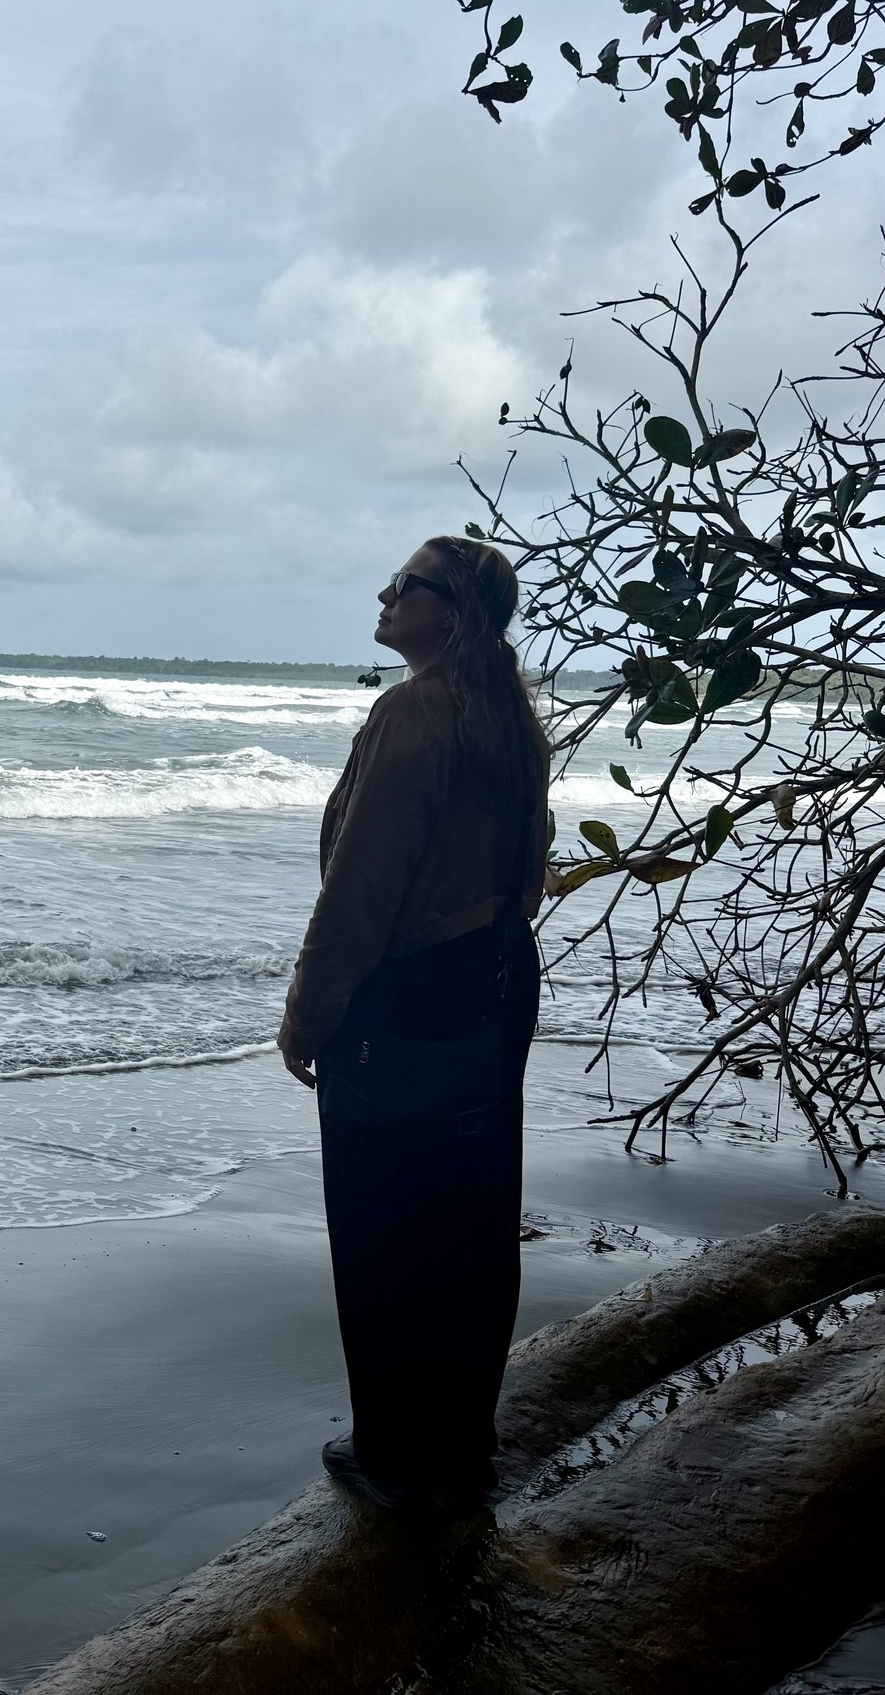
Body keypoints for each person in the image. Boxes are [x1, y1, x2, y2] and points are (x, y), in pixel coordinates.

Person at [277, 536, 550, 1512]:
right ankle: (457, 1440)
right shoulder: (504, 715)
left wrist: (307, 1014)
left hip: (409, 986)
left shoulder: (411, 712)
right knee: (469, 1214)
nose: (386, 594)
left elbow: (361, 886)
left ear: (455, 612)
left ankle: (396, 1454)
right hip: (492, 971)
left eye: (409, 585)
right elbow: (529, 871)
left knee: (381, 1219)